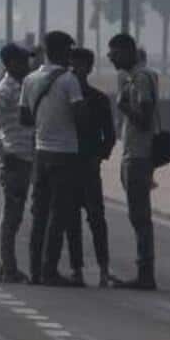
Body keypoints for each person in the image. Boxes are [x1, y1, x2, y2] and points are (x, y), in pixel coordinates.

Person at [24, 31, 87, 287]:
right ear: (63, 52)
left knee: (39, 213)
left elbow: (24, 118)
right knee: (58, 214)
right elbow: (80, 116)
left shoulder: (30, 79)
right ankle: (50, 269)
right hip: (65, 153)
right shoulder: (69, 80)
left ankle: (34, 270)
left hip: (40, 151)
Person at [108, 34, 158, 290]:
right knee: (138, 216)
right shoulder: (138, 76)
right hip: (136, 154)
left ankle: (145, 273)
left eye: (114, 52)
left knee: (140, 217)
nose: (110, 57)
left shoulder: (139, 78)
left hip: (138, 155)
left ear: (127, 51)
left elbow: (145, 118)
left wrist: (123, 106)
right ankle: (145, 271)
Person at [0, 44, 35, 282]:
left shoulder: (21, 86)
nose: (27, 65)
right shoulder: (6, 90)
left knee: (16, 215)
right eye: (22, 61)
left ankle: (8, 266)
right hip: (14, 159)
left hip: (25, 157)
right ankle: (7, 267)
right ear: (11, 63)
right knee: (11, 216)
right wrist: (2, 151)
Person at [68, 48, 118, 287]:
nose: (76, 70)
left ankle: (103, 268)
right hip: (67, 163)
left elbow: (109, 135)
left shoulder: (98, 100)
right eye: (73, 65)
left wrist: (99, 156)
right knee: (71, 221)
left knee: (96, 219)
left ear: (88, 68)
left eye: (81, 66)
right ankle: (76, 268)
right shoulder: (63, 98)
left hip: (88, 165)